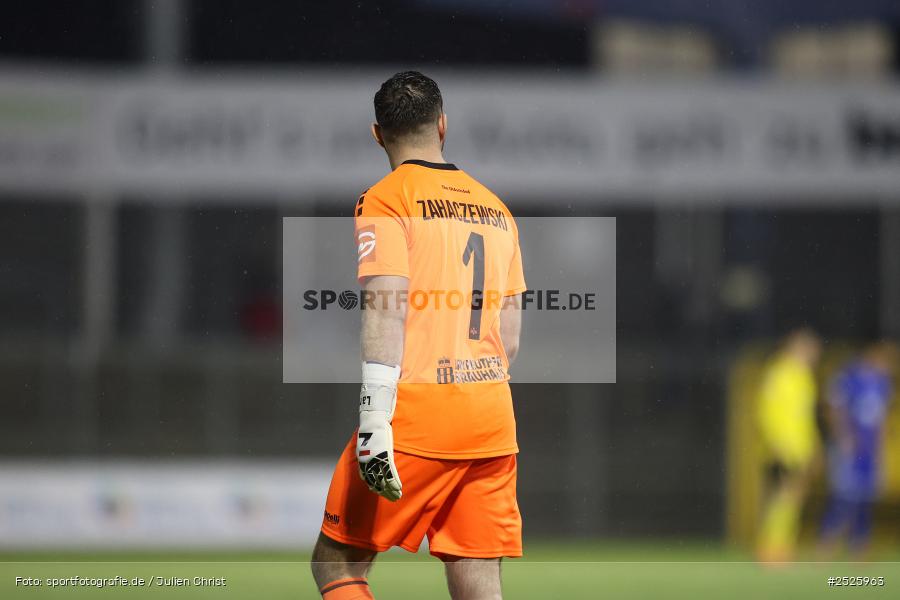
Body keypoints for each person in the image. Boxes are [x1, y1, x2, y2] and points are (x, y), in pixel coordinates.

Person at [311, 71, 526, 600]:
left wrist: (374, 417)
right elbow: (511, 336)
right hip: (491, 415)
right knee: (478, 580)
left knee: (337, 564)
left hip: (418, 413)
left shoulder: (386, 199)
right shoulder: (496, 207)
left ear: (378, 134)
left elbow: (387, 308)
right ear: (443, 126)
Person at [819, 341, 895, 558]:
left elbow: (881, 419)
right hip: (850, 448)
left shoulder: (883, 383)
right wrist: (843, 437)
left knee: (865, 499)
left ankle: (859, 547)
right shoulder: (847, 376)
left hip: (870, 451)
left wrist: (881, 448)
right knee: (844, 497)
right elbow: (834, 409)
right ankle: (826, 544)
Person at [756, 328, 822, 563]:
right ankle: (771, 549)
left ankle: (782, 547)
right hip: (784, 447)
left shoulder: (802, 376)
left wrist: (814, 447)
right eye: (810, 348)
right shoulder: (780, 373)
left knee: (792, 498)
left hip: (801, 448)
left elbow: (805, 417)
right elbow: (767, 412)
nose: (814, 354)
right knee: (784, 497)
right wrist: (777, 443)